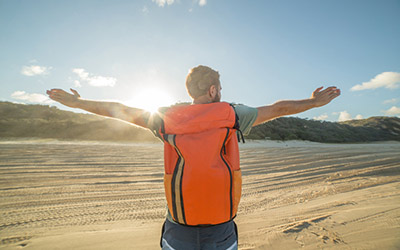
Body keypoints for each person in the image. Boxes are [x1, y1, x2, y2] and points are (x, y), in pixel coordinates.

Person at [47, 65, 340, 250]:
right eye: (220, 89)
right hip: (221, 228)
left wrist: (78, 102)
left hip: (178, 228)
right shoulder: (230, 113)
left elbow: (118, 109)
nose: (221, 92)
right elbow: (277, 109)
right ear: (213, 90)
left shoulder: (166, 118)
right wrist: (314, 102)